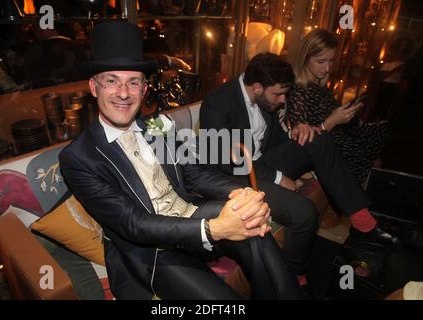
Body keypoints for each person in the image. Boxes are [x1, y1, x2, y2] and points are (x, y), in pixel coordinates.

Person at [59, 21, 304, 300]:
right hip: (151, 253)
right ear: (94, 87)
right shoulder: (79, 157)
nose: (124, 93)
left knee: (253, 225)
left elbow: (194, 175)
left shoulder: (157, 126)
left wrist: (238, 192)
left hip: (189, 214)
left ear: (144, 88)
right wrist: (214, 229)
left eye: (133, 82)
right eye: (112, 81)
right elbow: (134, 224)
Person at [199, 52, 400, 289]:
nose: (284, 101)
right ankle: (291, 276)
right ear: (256, 87)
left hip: (261, 164)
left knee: (316, 138)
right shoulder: (216, 104)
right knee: (305, 214)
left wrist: (294, 135)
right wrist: (276, 177)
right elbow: (226, 162)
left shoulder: (265, 98)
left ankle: (362, 220)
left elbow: (272, 143)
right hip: (235, 177)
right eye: (279, 94)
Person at [287, 29, 388, 184]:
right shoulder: (298, 90)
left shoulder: (319, 85)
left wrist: (349, 115)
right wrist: (333, 120)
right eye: (321, 61)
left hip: (338, 139)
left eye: (331, 61)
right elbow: (305, 142)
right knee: (369, 159)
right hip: (325, 147)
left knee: (380, 132)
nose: (327, 68)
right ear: (305, 58)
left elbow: (332, 115)